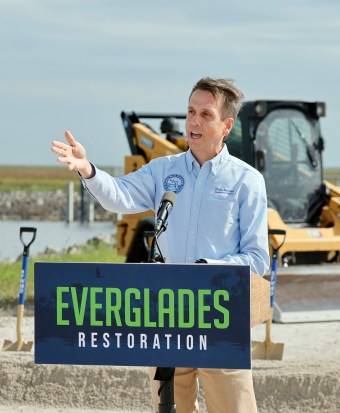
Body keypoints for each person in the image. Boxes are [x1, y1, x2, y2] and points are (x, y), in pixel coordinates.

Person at [51, 77, 269, 413]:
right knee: (170, 407)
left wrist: (206, 271)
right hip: (170, 316)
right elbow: (119, 197)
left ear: (227, 125)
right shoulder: (163, 171)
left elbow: (257, 259)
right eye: (190, 111)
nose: (194, 121)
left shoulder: (247, 181)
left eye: (206, 115)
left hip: (221, 315)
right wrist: (89, 170)